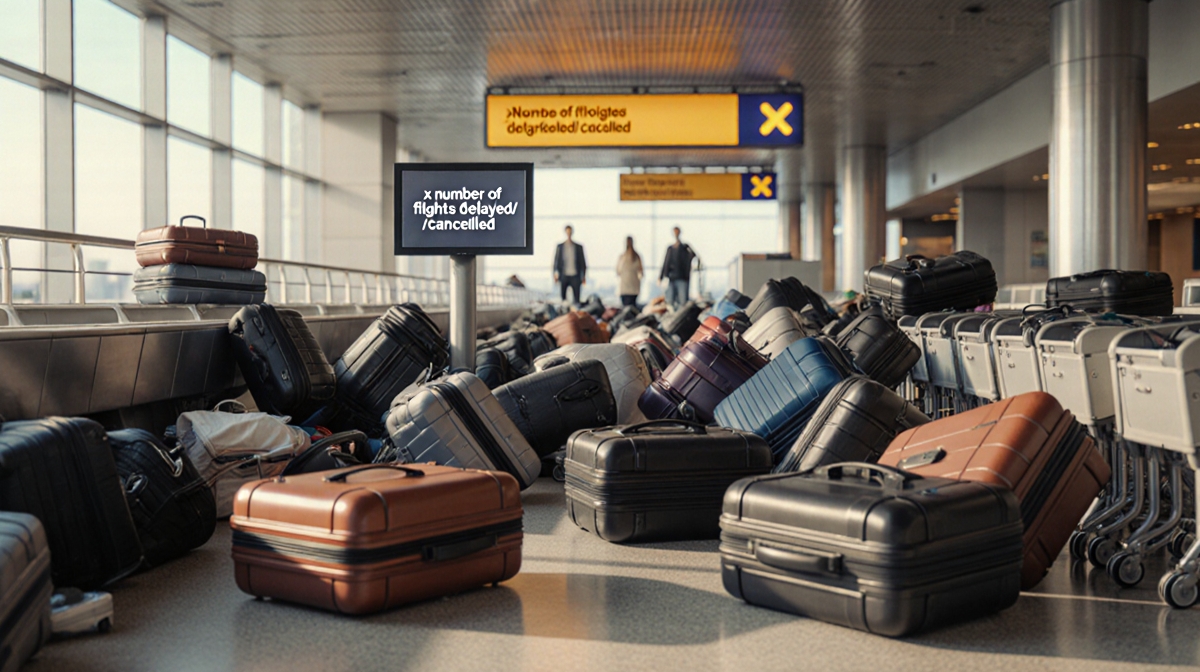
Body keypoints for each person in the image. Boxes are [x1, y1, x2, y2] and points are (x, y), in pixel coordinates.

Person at [659, 226, 698, 309]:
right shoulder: (670, 249)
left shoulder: (685, 248)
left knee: (682, 301)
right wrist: (661, 277)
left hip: (682, 277)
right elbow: (666, 263)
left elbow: (694, 255)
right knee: (670, 300)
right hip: (672, 278)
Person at [552, 225, 587, 305]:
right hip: (564, 275)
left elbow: (583, 262)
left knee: (576, 299)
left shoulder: (578, 247)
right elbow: (556, 261)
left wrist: (583, 276)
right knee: (563, 300)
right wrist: (555, 274)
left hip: (575, 275)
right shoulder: (560, 247)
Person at [615, 236, 643, 307]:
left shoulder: (622, 257)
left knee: (625, 308)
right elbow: (641, 272)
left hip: (624, 288)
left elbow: (618, 271)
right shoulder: (637, 257)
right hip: (634, 289)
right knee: (632, 307)